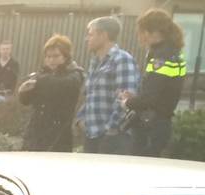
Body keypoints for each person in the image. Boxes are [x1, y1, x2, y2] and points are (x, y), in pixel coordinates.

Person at [121, 9, 187, 157]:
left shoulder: (161, 57)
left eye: (141, 32)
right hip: (161, 123)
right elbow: (163, 91)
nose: (140, 37)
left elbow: (150, 98)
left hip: (151, 126)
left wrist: (128, 102)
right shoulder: (174, 53)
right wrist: (137, 97)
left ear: (151, 32)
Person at [78, 16, 139, 154]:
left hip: (113, 138)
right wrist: (80, 118)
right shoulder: (95, 62)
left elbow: (125, 100)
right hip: (91, 135)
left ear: (103, 35)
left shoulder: (122, 60)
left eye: (91, 34)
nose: (87, 39)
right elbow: (91, 96)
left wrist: (110, 130)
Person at [19, 34, 85, 152]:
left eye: (56, 56)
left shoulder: (74, 74)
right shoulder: (43, 73)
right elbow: (26, 101)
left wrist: (38, 81)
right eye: (48, 57)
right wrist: (23, 91)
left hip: (59, 136)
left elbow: (60, 84)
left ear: (66, 56)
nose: (51, 60)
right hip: (35, 133)